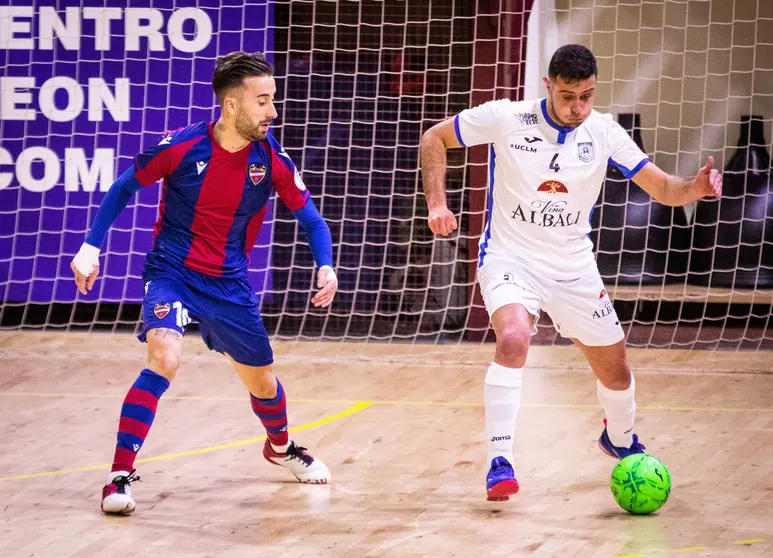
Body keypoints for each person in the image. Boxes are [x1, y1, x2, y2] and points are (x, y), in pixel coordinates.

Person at [419, 44, 722, 501]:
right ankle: (500, 461)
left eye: (587, 95)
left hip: (574, 267)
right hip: (510, 258)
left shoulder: (603, 132)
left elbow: (661, 186)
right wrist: (437, 204)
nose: (578, 107)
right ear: (548, 86)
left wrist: (694, 188)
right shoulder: (507, 117)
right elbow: (433, 138)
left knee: (616, 372)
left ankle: (618, 438)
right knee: (515, 338)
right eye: (567, 96)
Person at [70, 51, 338, 515]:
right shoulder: (179, 146)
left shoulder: (270, 157)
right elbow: (122, 188)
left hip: (229, 284)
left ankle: (280, 446)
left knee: (264, 384)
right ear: (232, 106)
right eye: (263, 101)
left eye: (272, 100)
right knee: (164, 358)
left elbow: (311, 218)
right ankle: (118, 476)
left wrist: (326, 265)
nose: (273, 111)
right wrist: (90, 248)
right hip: (172, 273)